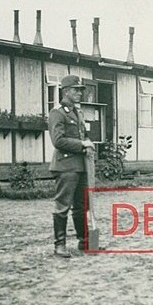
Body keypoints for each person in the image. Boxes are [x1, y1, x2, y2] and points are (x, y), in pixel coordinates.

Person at [49, 74, 97, 258]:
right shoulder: (58, 112)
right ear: (66, 91)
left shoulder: (78, 112)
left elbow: (81, 135)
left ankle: (84, 242)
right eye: (76, 90)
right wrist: (81, 144)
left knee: (81, 206)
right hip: (65, 166)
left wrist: (87, 143)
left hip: (81, 165)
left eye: (80, 90)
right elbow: (58, 140)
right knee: (63, 205)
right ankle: (59, 245)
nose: (79, 93)